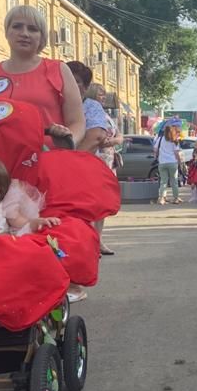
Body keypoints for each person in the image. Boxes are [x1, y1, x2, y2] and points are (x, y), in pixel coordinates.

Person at [0, 5, 85, 145]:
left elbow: (77, 122)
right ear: (6, 32)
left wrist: (68, 141)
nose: (24, 33)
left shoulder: (58, 70)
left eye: (32, 29)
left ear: (42, 37)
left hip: (48, 159)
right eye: (17, 26)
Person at [67, 61, 116, 258]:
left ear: (86, 87)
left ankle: (90, 244)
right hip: (51, 170)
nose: (71, 84)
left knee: (87, 210)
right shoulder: (51, 103)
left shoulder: (91, 106)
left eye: (77, 81)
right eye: (67, 79)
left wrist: (68, 161)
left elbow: (96, 136)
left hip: (81, 168)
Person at [155, 124, 183, 205]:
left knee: (163, 181)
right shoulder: (174, 141)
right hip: (172, 162)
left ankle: (162, 199)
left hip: (162, 162)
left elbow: (155, 149)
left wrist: (157, 156)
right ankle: (176, 198)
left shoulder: (160, 139)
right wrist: (179, 161)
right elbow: (176, 153)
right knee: (174, 181)